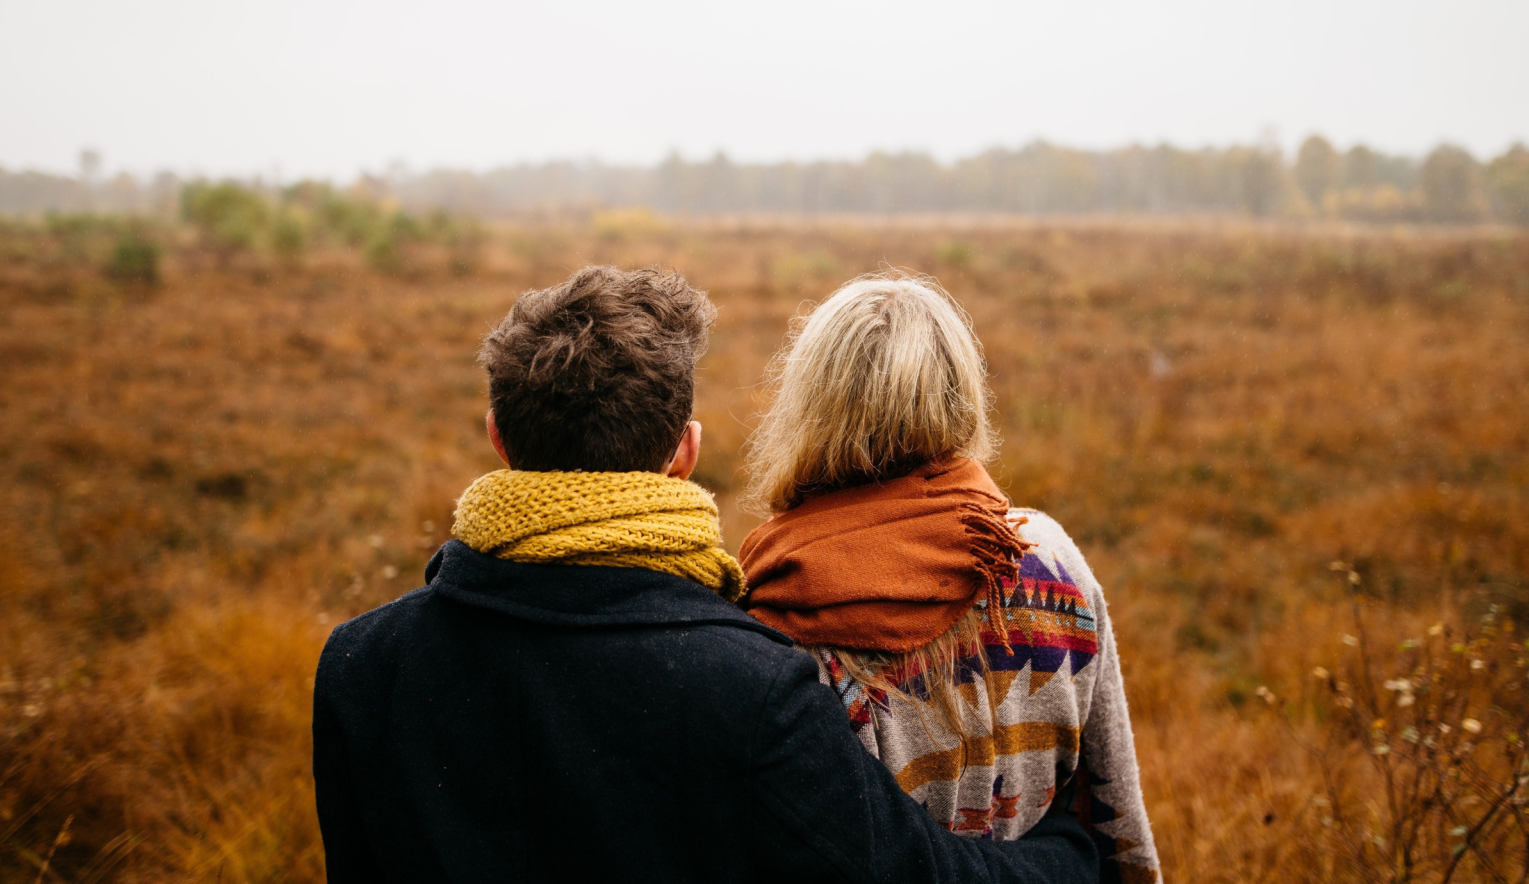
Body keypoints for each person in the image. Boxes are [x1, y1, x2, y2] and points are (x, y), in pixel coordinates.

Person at [313, 265, 1101, 884]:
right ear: (685, 453)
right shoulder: (752, 685)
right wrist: (1068, 854)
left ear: (497, 437)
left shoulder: (359, 666)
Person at [738, 272, 1163, 883]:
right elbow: (1113, 797)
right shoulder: (1045, 556)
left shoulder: (790, 609)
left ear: (810, 405)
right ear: (960, 395)